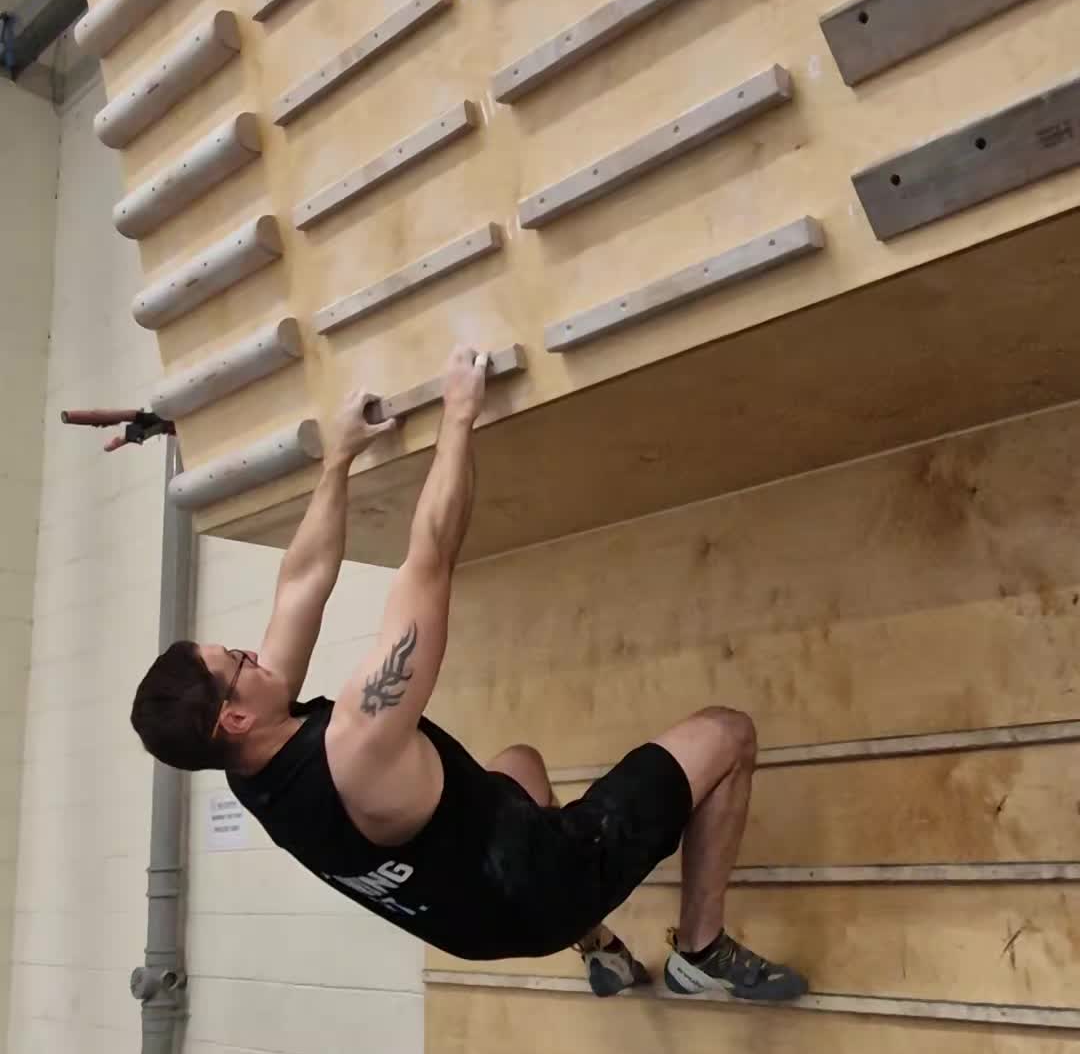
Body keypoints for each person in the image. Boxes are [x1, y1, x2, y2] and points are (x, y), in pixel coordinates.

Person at [131, 347, 807, 1003]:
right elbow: (429, 560)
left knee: (519, 764)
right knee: (727, 733)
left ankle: (599, 947)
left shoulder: (247, 765)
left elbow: (301, 581)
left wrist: (338, 460)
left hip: (466, 919)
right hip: (545, 889)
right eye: (238, 662)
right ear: (234, 716)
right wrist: (458, 415)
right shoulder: (357, 742)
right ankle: (701, 951)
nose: (253, 654)